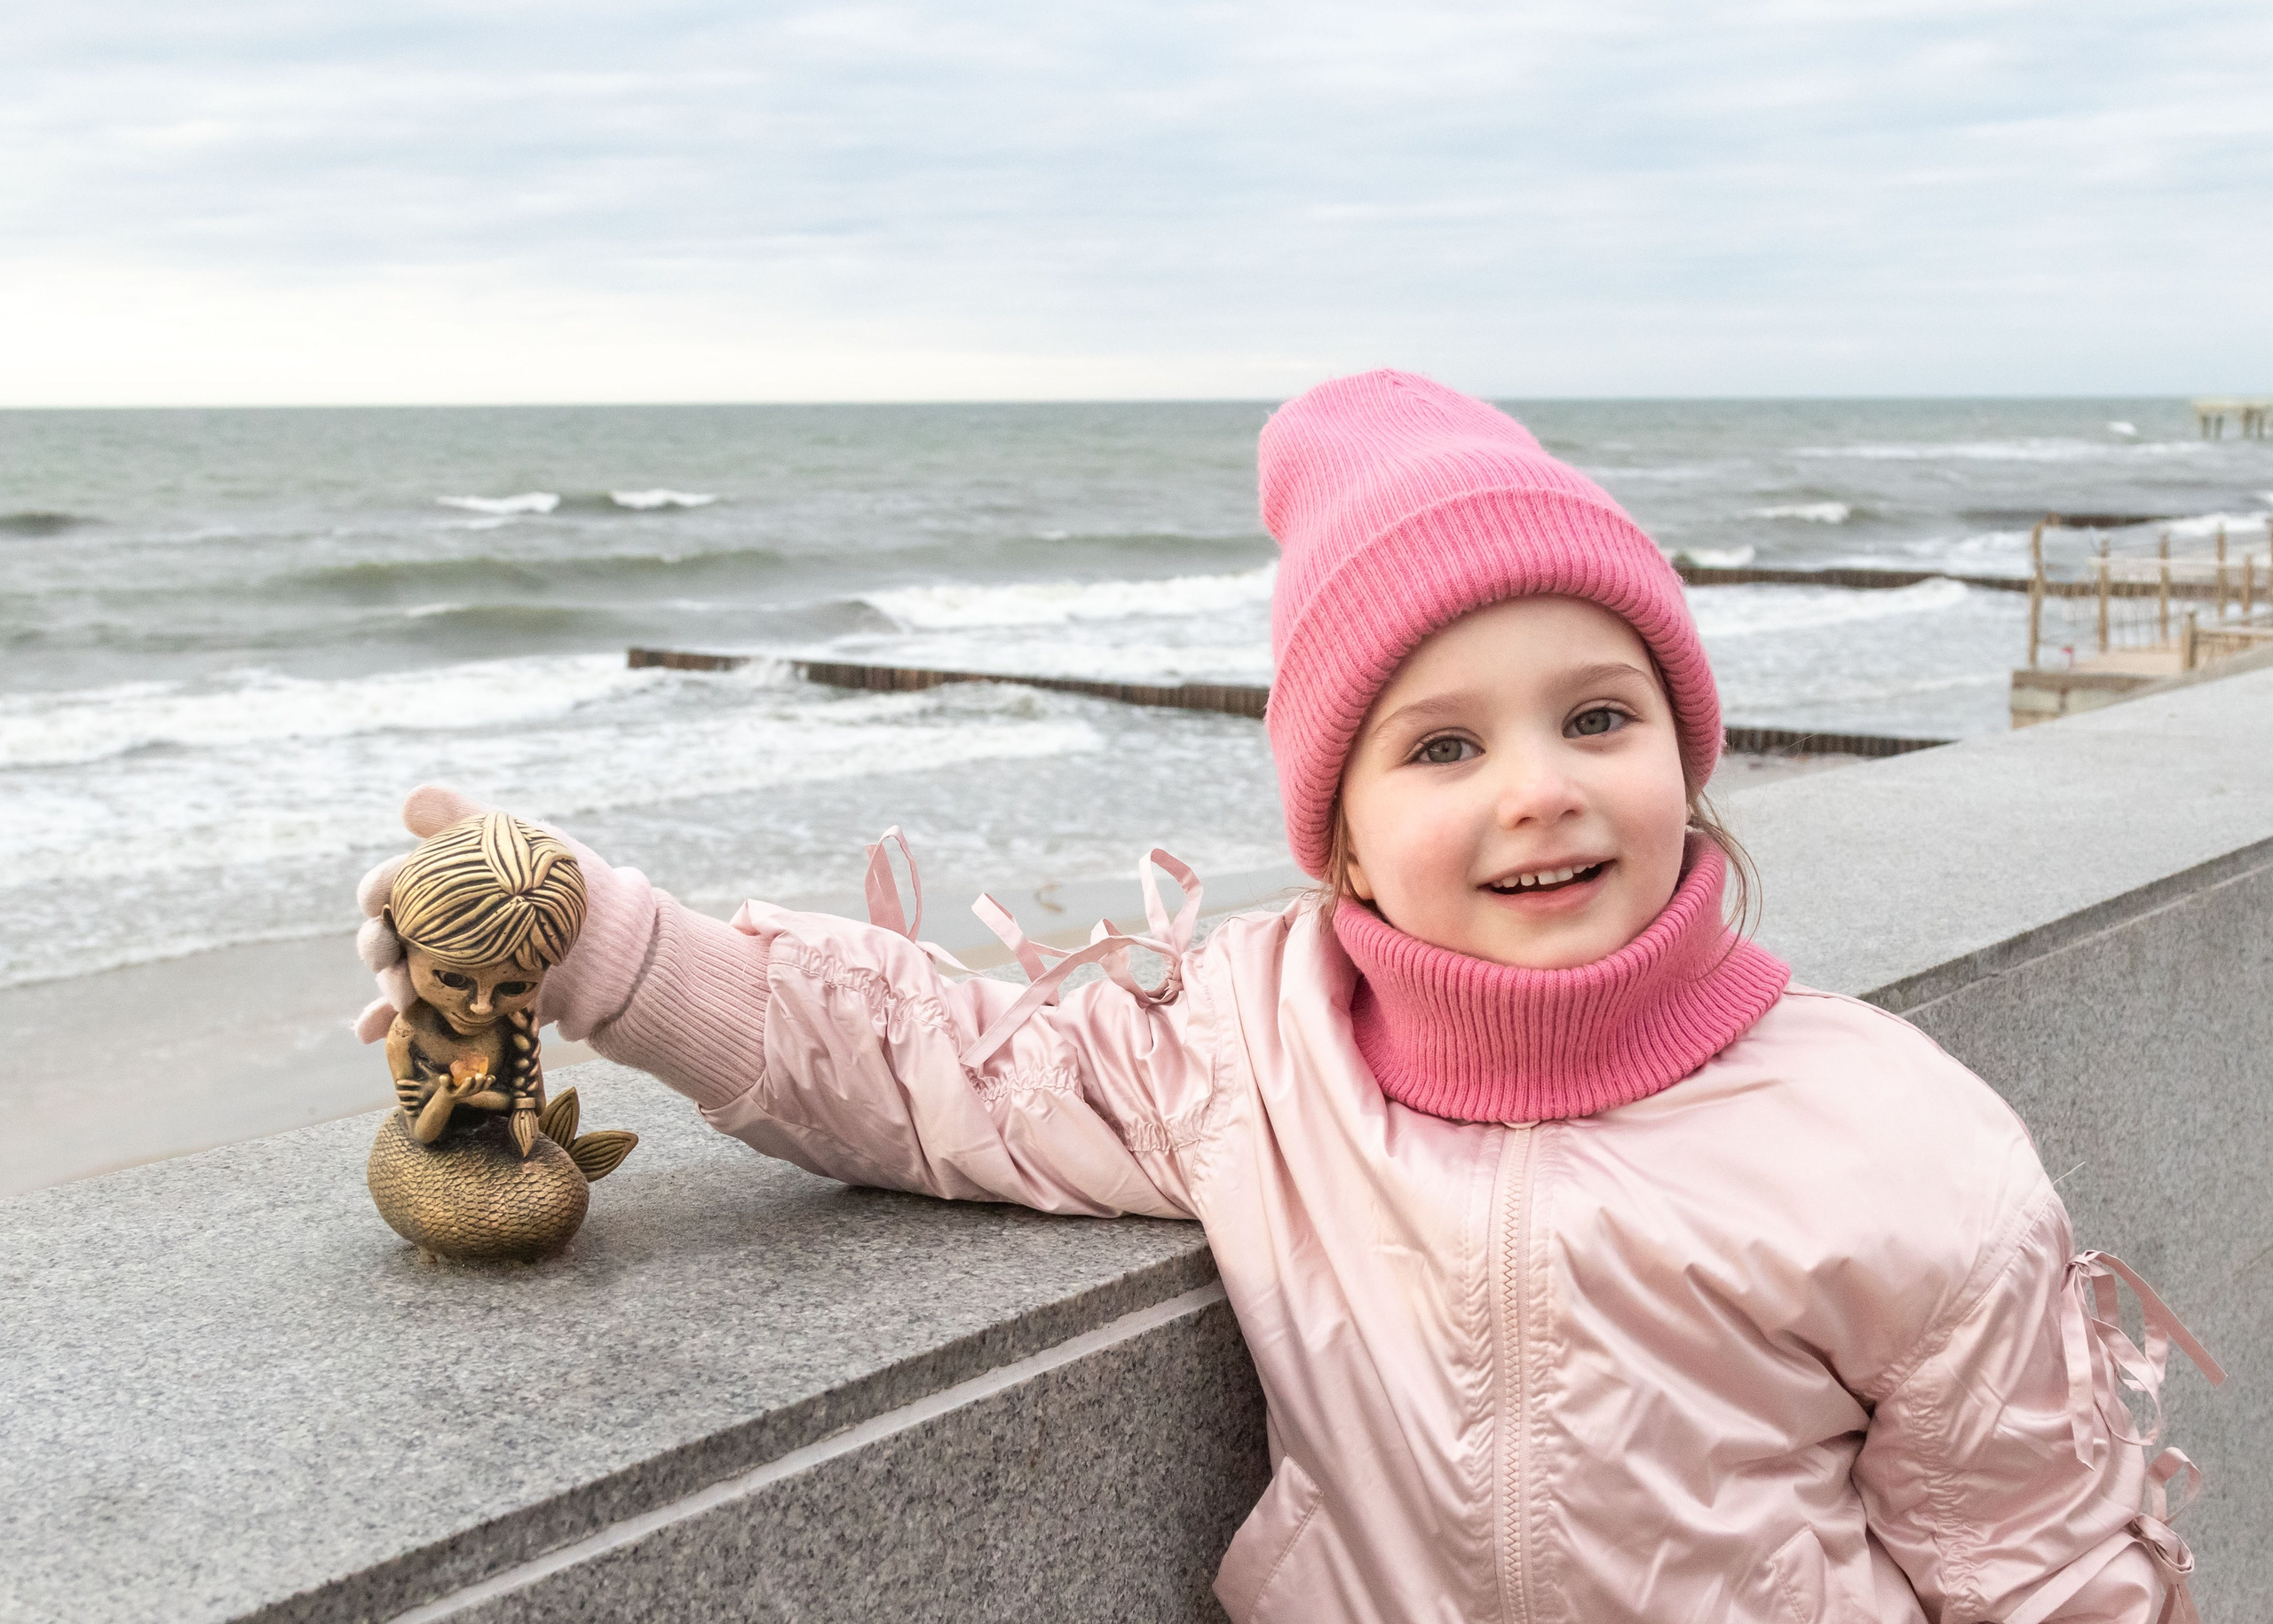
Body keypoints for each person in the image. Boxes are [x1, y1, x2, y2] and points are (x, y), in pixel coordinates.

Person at [354, 371, 2217, 1622]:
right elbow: (929, 1064)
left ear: (1683, 751)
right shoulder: (1256, 1051)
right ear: (1339, 840)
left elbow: (2039, 1563)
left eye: (1597, 715)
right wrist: (585, 940)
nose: (1537, 789)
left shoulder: (1895, 1136)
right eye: (1441, 747)